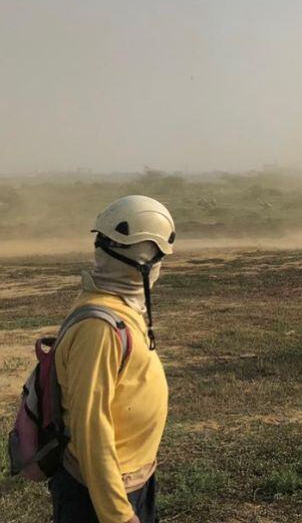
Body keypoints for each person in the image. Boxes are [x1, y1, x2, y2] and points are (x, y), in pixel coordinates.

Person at [51, 195, 175, 523]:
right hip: (102, 494)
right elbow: (91, 428)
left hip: (130, 478)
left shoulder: (117, 304)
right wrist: (117, 515)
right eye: (158, 258)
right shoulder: (100, 327)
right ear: (145, 262)